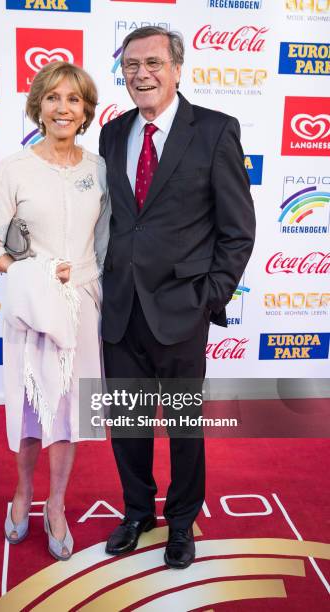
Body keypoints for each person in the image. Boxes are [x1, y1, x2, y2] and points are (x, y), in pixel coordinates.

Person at [99, 26, 255, 569]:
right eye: (131, 64)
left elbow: (238, 229)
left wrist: (209, 296)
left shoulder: (214, 131)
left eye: (153, 63)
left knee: (185, 429)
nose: (141, 73)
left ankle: (182, 522)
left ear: (177, 67)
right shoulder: (113, 134)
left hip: (182, 309)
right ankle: (138, 511)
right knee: (128, 424)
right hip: (119, 308)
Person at [0, 61, 110, 560]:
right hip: (33, 310)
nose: (62, 108)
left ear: (85, 111)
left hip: (83, 307)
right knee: (33, 413)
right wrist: (31, 272)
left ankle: (55, 505)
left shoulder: (97, 169)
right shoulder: (15, 167)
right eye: (52, 97)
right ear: (38, 106)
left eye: (73, 99)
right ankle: (23, 493)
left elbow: (107, 243)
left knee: (69, 416)